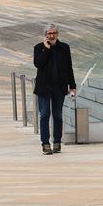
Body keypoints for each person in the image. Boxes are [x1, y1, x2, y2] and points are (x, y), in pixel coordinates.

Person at [32, 23, 77, 155]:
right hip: (44, 87)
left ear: (57, 34)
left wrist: (72, 86)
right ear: (45, 35)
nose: (52, 36)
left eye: (54, 33)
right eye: (49, 33)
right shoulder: (39, 48)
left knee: (57, 115)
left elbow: (69, 68)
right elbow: (38, 64)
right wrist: (46, 49)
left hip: (59, 87)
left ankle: (57, 141)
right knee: (44, 114)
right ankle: (45, 143)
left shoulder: (64, 48)